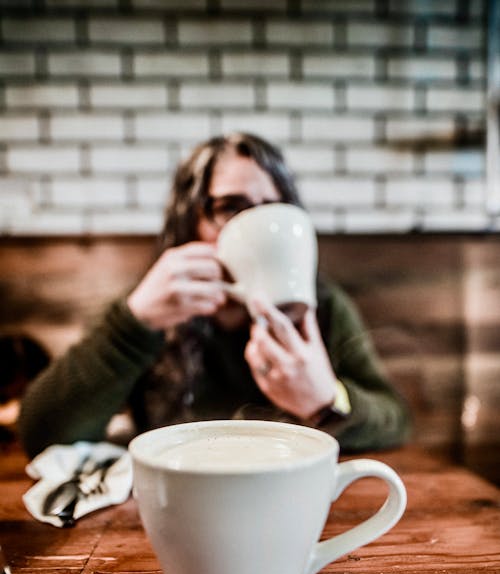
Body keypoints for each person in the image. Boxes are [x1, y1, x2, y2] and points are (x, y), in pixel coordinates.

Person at [19, 132, 411, 459]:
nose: (259, 225)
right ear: (190, 222)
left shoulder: (322, 306)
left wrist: (327, 400)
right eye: (230, 207)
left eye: (273, 207)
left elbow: (396, 420)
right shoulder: (153, 311)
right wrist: (133, 322)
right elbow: (43, 433)